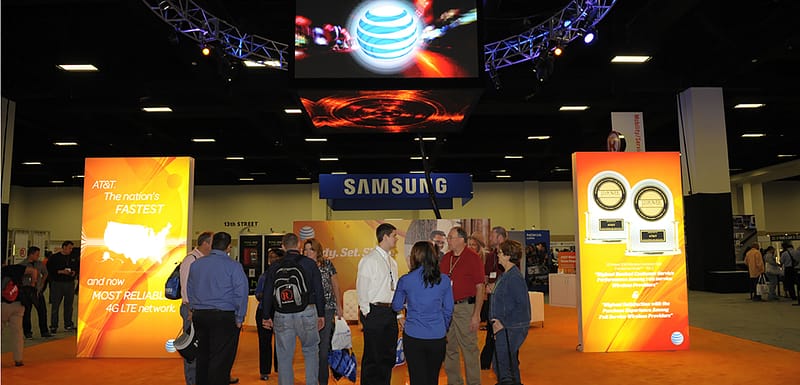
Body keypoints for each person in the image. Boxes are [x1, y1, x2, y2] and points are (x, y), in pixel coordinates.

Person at [261, 233, 325, 385]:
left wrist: (265, 316)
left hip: (282, 315)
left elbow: (268, 292)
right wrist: (321, 314)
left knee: (284, 357)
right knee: (310, 351)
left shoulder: (275, 266)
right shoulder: (309, 264)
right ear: (299, 245)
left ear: (283, 247)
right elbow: (318, 289)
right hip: (307, 312)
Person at [187, 232, 249, 385]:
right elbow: (241, 292)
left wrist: (194, 309)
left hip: (200, 316)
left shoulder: (196, 264)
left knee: (202, 357)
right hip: (224, 317)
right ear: (229, 247)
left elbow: (190, 289)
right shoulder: (233, 266)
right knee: (221, 359)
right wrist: (240, 317)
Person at [392, 241, 454, 385]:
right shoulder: (444, 280)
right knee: (433, 379)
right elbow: (449, 309)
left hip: (414, 335)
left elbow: (396, 305)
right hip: (437, 336)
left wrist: (403, 314)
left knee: (417, 378)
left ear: (415, 257)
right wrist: (442, 327)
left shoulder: (406, 280)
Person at [357, 223, 401, 385]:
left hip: (390, 313)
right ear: (385, 237)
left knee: (388, 356)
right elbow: (362, 288)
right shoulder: (369, 260)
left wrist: (398, 313)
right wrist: (367, 312)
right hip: (374, 312)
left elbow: (395, 289)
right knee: (373, 357)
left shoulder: (392, 262)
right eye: (394, 235)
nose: (397, 239)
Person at [440, 226, 485, 385]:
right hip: (447, 309)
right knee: (449, 349)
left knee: (469, 349)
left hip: (465, 308)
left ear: (461, 239)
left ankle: (473, 382)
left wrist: (476, 314)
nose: (448, 240)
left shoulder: (473, 258)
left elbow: (480, 287)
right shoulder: (446, 258)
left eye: (451, 237)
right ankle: (454, 382)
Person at [489, 239, 531, 385]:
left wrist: (502, 323)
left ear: (507, 255)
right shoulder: (507, 275)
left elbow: (521, 305)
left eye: (500, 253)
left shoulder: (513, 277)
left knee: (503, 365)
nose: (498, 255)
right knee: (508, 364)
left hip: (510, 327)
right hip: (506, 327)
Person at [304, 238, 344, 385]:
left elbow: (335, 285)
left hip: (327, 309)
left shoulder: (327, 264)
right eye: (305, 250)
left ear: (317, 251)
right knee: (310, 346)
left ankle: (323, 381)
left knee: (324, 347)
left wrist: (339, 306)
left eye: (311, 249)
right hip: (309, 309)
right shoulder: (302, 266)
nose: (308, 252)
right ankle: (312, 379)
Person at [178, 231, 214, 385]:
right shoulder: (190, 259)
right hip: (191, 310)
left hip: (201, 310)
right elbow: (185, 288)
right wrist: (191, 309)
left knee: (203, 347)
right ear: (205, 243)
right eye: (213, 242)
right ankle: (192, 381)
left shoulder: (204, 260)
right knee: (192, 349)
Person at [480, 226, 506, 370]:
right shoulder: (490, 256)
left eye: (492, 236)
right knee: (491, 329)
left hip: (504, 299)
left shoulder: (510, 254)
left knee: (505, 329)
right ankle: (486, 361)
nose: (490, 238)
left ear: (500, 237)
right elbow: (485, 275)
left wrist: (494, 286)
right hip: (491, 298)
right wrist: (486, 287)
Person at [20, 246, 52, 339]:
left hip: (37, 291)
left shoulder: (40, 264)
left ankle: (44, 331)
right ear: (31, 254)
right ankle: (27, 332)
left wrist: (42, 282)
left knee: (42, 311)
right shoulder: (23, 265)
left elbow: (45, 273)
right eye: (37, 255)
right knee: (26, 312)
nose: (38, 256)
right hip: (26, 291)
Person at [46, 240, 77, 333]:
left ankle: (68, 324)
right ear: (63, 247)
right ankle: (54, 325)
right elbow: (49, 270)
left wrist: (74, 272)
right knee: (55, 305)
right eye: (69, 248)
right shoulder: (54, 257)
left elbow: (76, 267)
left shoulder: (73, 257)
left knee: (69, 305)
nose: (70, 250)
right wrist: (60, 271)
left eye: (71, 248)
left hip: (70, 283)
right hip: (57, 283)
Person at [2, 262, 27, 367]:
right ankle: (18, 359)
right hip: (18, 304)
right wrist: (34, 284)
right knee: (17, 333)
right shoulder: (16, 268)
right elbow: (33, 271)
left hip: (2, 305)